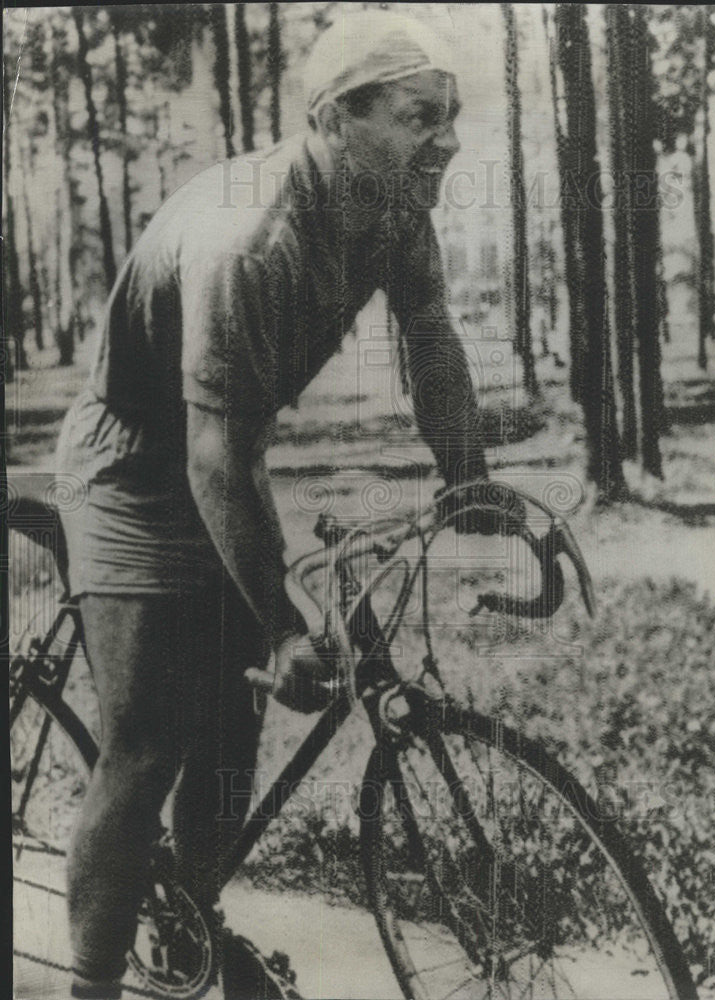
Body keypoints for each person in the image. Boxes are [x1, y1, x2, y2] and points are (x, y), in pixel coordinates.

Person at [55, 10, 515, 1000]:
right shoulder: (246, 236)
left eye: (452, 115)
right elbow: (211, 455)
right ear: (334, 118)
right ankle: (89, 987)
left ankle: (189, 921)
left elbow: (432, 340)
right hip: (135, 469)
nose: (448, 138)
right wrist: (282, 620)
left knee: (231, 732)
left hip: (223, 458)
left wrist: (472, 479)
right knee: (145, 749)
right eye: (418, 115)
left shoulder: (392, 208)